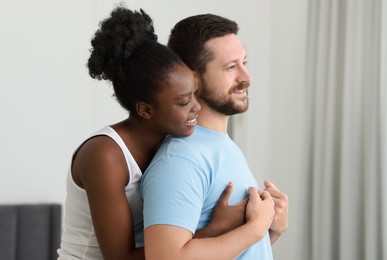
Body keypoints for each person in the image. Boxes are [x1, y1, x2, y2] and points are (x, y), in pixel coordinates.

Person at [57, 7, 251, 260]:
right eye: (183, 101)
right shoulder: (105, 155)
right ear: (146, 110)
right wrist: (215, 229)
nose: (196, 106)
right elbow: (120, 258)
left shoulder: (175, 143)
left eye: (194, 92)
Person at [141, 14, 289, 259]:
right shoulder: (180, 158)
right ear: (193, 79)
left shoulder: (222, 146)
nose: (246, 77)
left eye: (244, 63)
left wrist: (272, 230)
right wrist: (255, 229)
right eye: (231, 67)